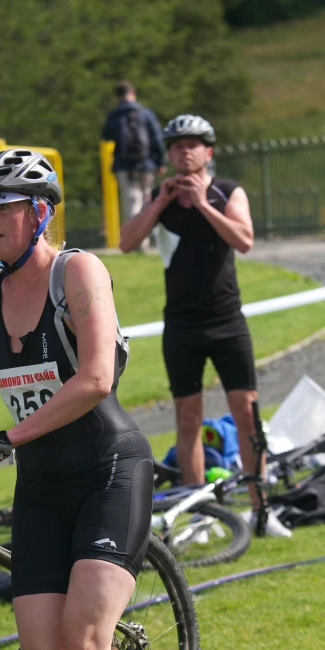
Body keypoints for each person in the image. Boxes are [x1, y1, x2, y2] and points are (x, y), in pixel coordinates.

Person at [0, 148, 186, 650]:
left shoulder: (78, 271)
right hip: (40, 489)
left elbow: (94, 378)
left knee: (87, 643)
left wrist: (9, 436)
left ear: (40, 212)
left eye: (3, 206)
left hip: (108, 471)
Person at [119, 114, 291, 538]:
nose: (185, 151)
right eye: (177, 145)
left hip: (227, 320)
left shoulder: (227, 191)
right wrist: (160, 202)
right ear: (170, 153)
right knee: (188, 418)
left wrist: (203, 205)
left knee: (246, 413)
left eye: (194, 144)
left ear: (208, 151)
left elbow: (244, 239)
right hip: (180, 325)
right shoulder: (161, 195)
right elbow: (126, 242)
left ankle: (260, 508)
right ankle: (201, 515)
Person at [102, 80, 167, 252]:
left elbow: (106, 135)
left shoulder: (115, 115)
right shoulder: (145, 113)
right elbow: (156, 138)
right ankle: (152, 240)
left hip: (124, 165)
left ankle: (138, 243)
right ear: (133, 93)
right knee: (149, 201)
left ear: (118, 96)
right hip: (146, 164)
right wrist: (161, 161)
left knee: (132, 202)